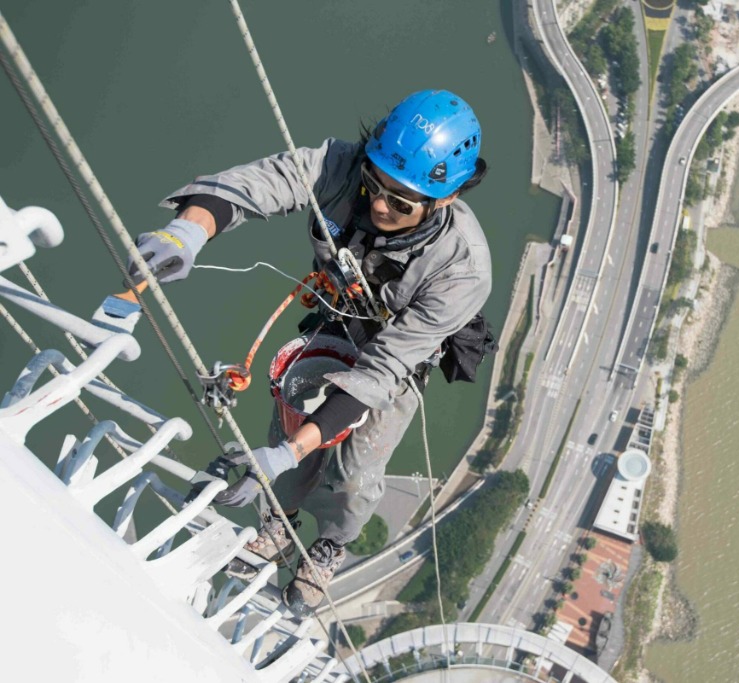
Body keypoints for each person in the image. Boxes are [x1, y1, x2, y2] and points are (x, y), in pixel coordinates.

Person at [129, 90, 492, 617]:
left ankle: (330, 545)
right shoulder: (340, 167)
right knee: (291, 415)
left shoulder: (461, 269)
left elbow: (382, 369)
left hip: (398, 356)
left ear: (443, 201)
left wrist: (288, 454)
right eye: (374, 183)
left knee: (356, 472)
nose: (377, 205)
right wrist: (188, 231)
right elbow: (257, 185)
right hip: (337, 318)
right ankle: (282, 515)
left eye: (401, 201)